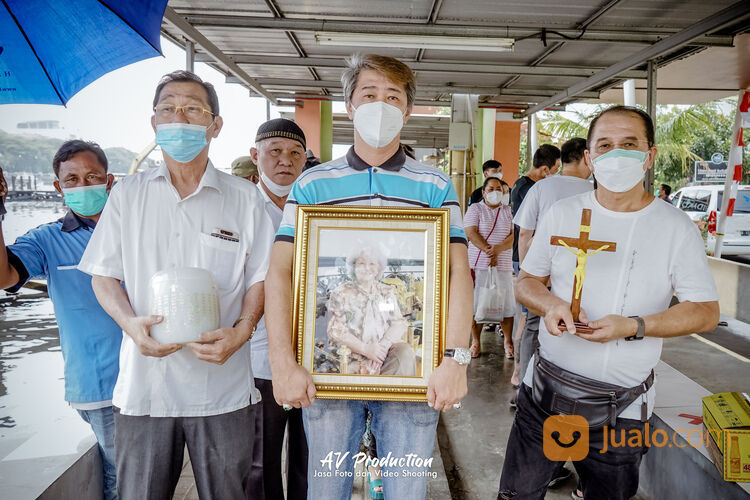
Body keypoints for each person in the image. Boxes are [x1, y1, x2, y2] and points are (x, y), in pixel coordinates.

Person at [265, 53, 473, 500]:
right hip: (328, 374)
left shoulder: (434, 185)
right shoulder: (313, 185)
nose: (381, 103)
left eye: (393, 96)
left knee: (407, 492)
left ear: (407, 110)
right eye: (369, 94)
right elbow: (280, 273)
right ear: (350, 105)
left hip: (411, 377)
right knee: (326, 493)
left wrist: (456, 359)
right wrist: (282, 363)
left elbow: (458, 272)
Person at [498, 105, 719, 500]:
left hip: (624, 408)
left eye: (629, 144)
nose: (616, 155)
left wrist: (634, 326)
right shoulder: (564, 213)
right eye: (605, 145)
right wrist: (550, 305)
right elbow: (527, 281)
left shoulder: (675, 228)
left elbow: (705, 312)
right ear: (589, 157)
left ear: (650, 155)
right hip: (545, 392)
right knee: (519, 493)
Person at [78, 70, 275, 500]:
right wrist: (130, 324)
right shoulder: (128, 195)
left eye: (192, 108)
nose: (178, 117)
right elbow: (103, 274)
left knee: (229, 493)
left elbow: (262, 276)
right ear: (154, 123)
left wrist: (242, 331)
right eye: (167, 108)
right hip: (145, 388)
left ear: (215, 125)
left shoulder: (245, 198)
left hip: (222, 388)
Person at [0, 140, 121, 500]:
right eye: (72, 179)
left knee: (149, 471)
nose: (83, 186)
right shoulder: (47, 239)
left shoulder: (135, 229)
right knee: (124, 475)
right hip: (100, 384)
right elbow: (5, 276)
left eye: (92, 176)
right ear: (58, 187)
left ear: (109, 180)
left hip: (152, 377)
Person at [246, 118, 309, 500]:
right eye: (274, 152)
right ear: (256, 156)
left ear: (305, 160)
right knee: (260, 461)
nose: (285, 161)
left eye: (294, 153)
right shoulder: (239, 207)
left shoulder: (316, 205)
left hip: (313, 356)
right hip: (257, 360)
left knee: (309, 457)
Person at [508, 144, 560, 405]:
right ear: (544, 169)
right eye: (555, 171)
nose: (557, 176)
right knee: (527, 322)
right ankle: (521, 374)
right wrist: (528, 273)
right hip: (529, 265)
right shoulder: (531, 187)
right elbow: (525, 233)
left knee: (526, 321)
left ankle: (522, 374)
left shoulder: (523, 186)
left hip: (526, 264)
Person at [326, 246, 415, 375]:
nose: (367, 268)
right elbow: (336, 330)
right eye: (362, 263)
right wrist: (366, 349)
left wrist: (382, 349)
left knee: (405, 352)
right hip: (353, 356)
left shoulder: (386, 292)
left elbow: (398, 323)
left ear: (378, 267)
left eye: (372, 263)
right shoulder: (341, 294)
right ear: (354, 266)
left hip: (384, 355)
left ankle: (394, 393)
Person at [464, 177, 514, 358]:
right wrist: (489, 251)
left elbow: (512, 236)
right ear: (483, 192)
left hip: (503, 265)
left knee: (506, 304)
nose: (495, 192)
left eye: (499, 188)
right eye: (491, 188)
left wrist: (498, 250)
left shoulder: (508, 211)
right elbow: (471, 232)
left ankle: (508, 343)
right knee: (477, 305)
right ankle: (476, 342)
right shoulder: (475, 209)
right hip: (478, 264)